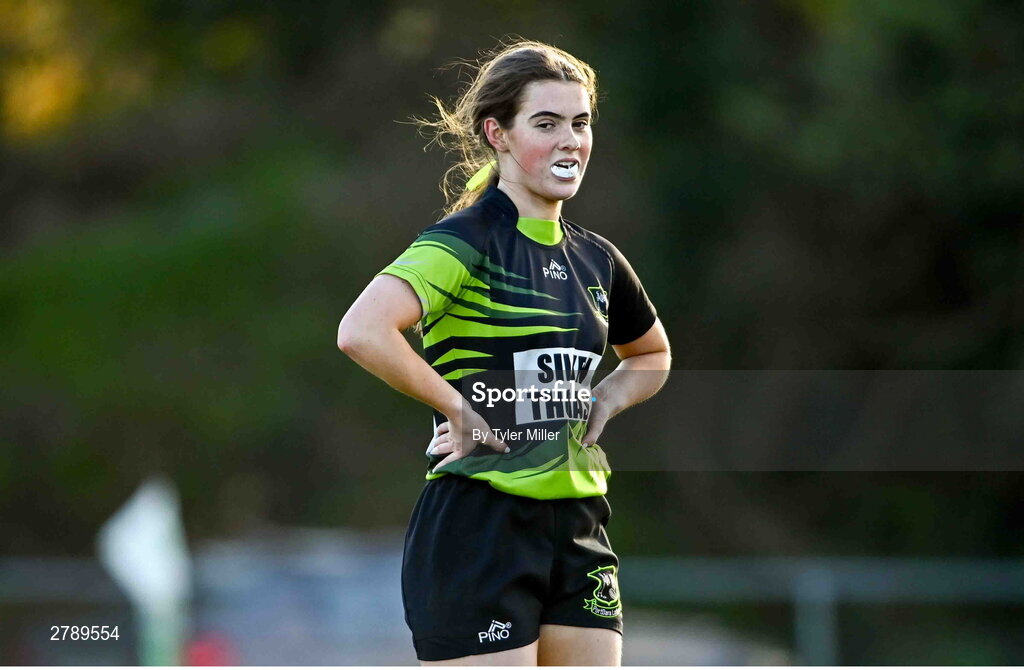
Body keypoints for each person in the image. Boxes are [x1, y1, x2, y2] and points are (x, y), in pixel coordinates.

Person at [337, 39, 670, 666]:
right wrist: (457, 408)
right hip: (479, 525)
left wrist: (607, 397)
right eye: (546, 124)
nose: (570, 140)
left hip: (579, 526)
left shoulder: (595, 257)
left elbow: (651, 354)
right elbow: (363, 330)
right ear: (498, 133)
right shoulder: (467, 240)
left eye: (581, 122)